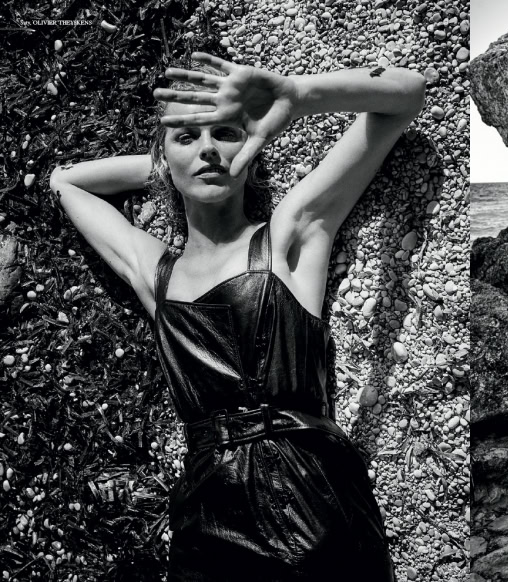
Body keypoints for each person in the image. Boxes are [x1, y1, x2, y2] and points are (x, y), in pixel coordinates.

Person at [50, 51, 425, 580]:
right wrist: (168, 164)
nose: (208, 149)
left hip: (316, 504)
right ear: (164, 161)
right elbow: (65, 182)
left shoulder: (290, 234)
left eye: (225, 134)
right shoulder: (154, 273)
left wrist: (296, 96)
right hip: (208, 523)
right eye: (187, 138)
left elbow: (407, 96)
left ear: (251, 145)